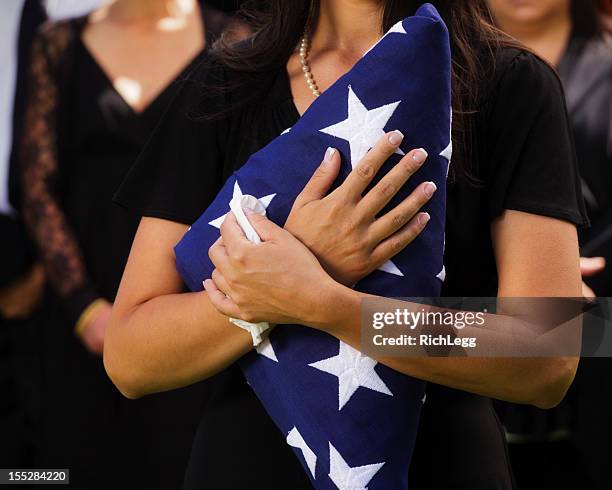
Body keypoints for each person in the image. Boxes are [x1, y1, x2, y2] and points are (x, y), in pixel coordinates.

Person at [107, 0, 586, 488]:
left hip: (443, 466)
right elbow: (128, 358)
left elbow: (551, 356)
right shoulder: (225, 82)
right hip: (244, 464)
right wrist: (269, 291)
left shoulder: (513, 83)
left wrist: (329, 303)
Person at [19, 0, 232, 487]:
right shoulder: (58, 43)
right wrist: (86, 310)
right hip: (80, 315)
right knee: (60, 471)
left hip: (191, 318)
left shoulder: (237, 45)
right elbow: (36, 188)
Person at [487, 1, 611, 489]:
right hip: (469, 320)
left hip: (596, 315)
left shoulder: (603, 67)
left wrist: (555, 272)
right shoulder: (436, 73)